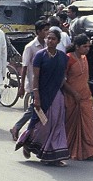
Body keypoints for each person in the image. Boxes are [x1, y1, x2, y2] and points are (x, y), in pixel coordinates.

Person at [15, 28, 70, 166]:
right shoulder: (40, 55)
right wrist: (36, 96)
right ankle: (28, 143)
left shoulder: (63, 57)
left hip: (57, 95)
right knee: (41, 125)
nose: (50, 41)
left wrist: (70, 93)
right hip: (42, 95)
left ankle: (52, 156)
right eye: (48, 38)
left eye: (53, 39)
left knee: (57, 124)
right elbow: (36, 78)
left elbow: (62, 78)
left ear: (58, 41)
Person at [64, 34, 93, 162]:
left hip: (85, 97)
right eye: (84, 46)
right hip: (71, 97)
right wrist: (74, 93)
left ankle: (90, 152)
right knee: (70, 126)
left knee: (88, 126)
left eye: (88, 46)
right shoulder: (68, 59)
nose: (87, 49)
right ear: (76, 46)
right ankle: (66, 150)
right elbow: (62, 80)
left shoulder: (85, 58)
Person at [10, 20, 49, 141]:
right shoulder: (30, 47)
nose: (48, 33)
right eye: (45, 30)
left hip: (45, 82)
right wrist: (21, 86)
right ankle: (19, 127)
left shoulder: (48, 44)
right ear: (38, 32)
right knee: (35, 108)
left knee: (38, 108)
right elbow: (25, 67)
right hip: (34, 83)